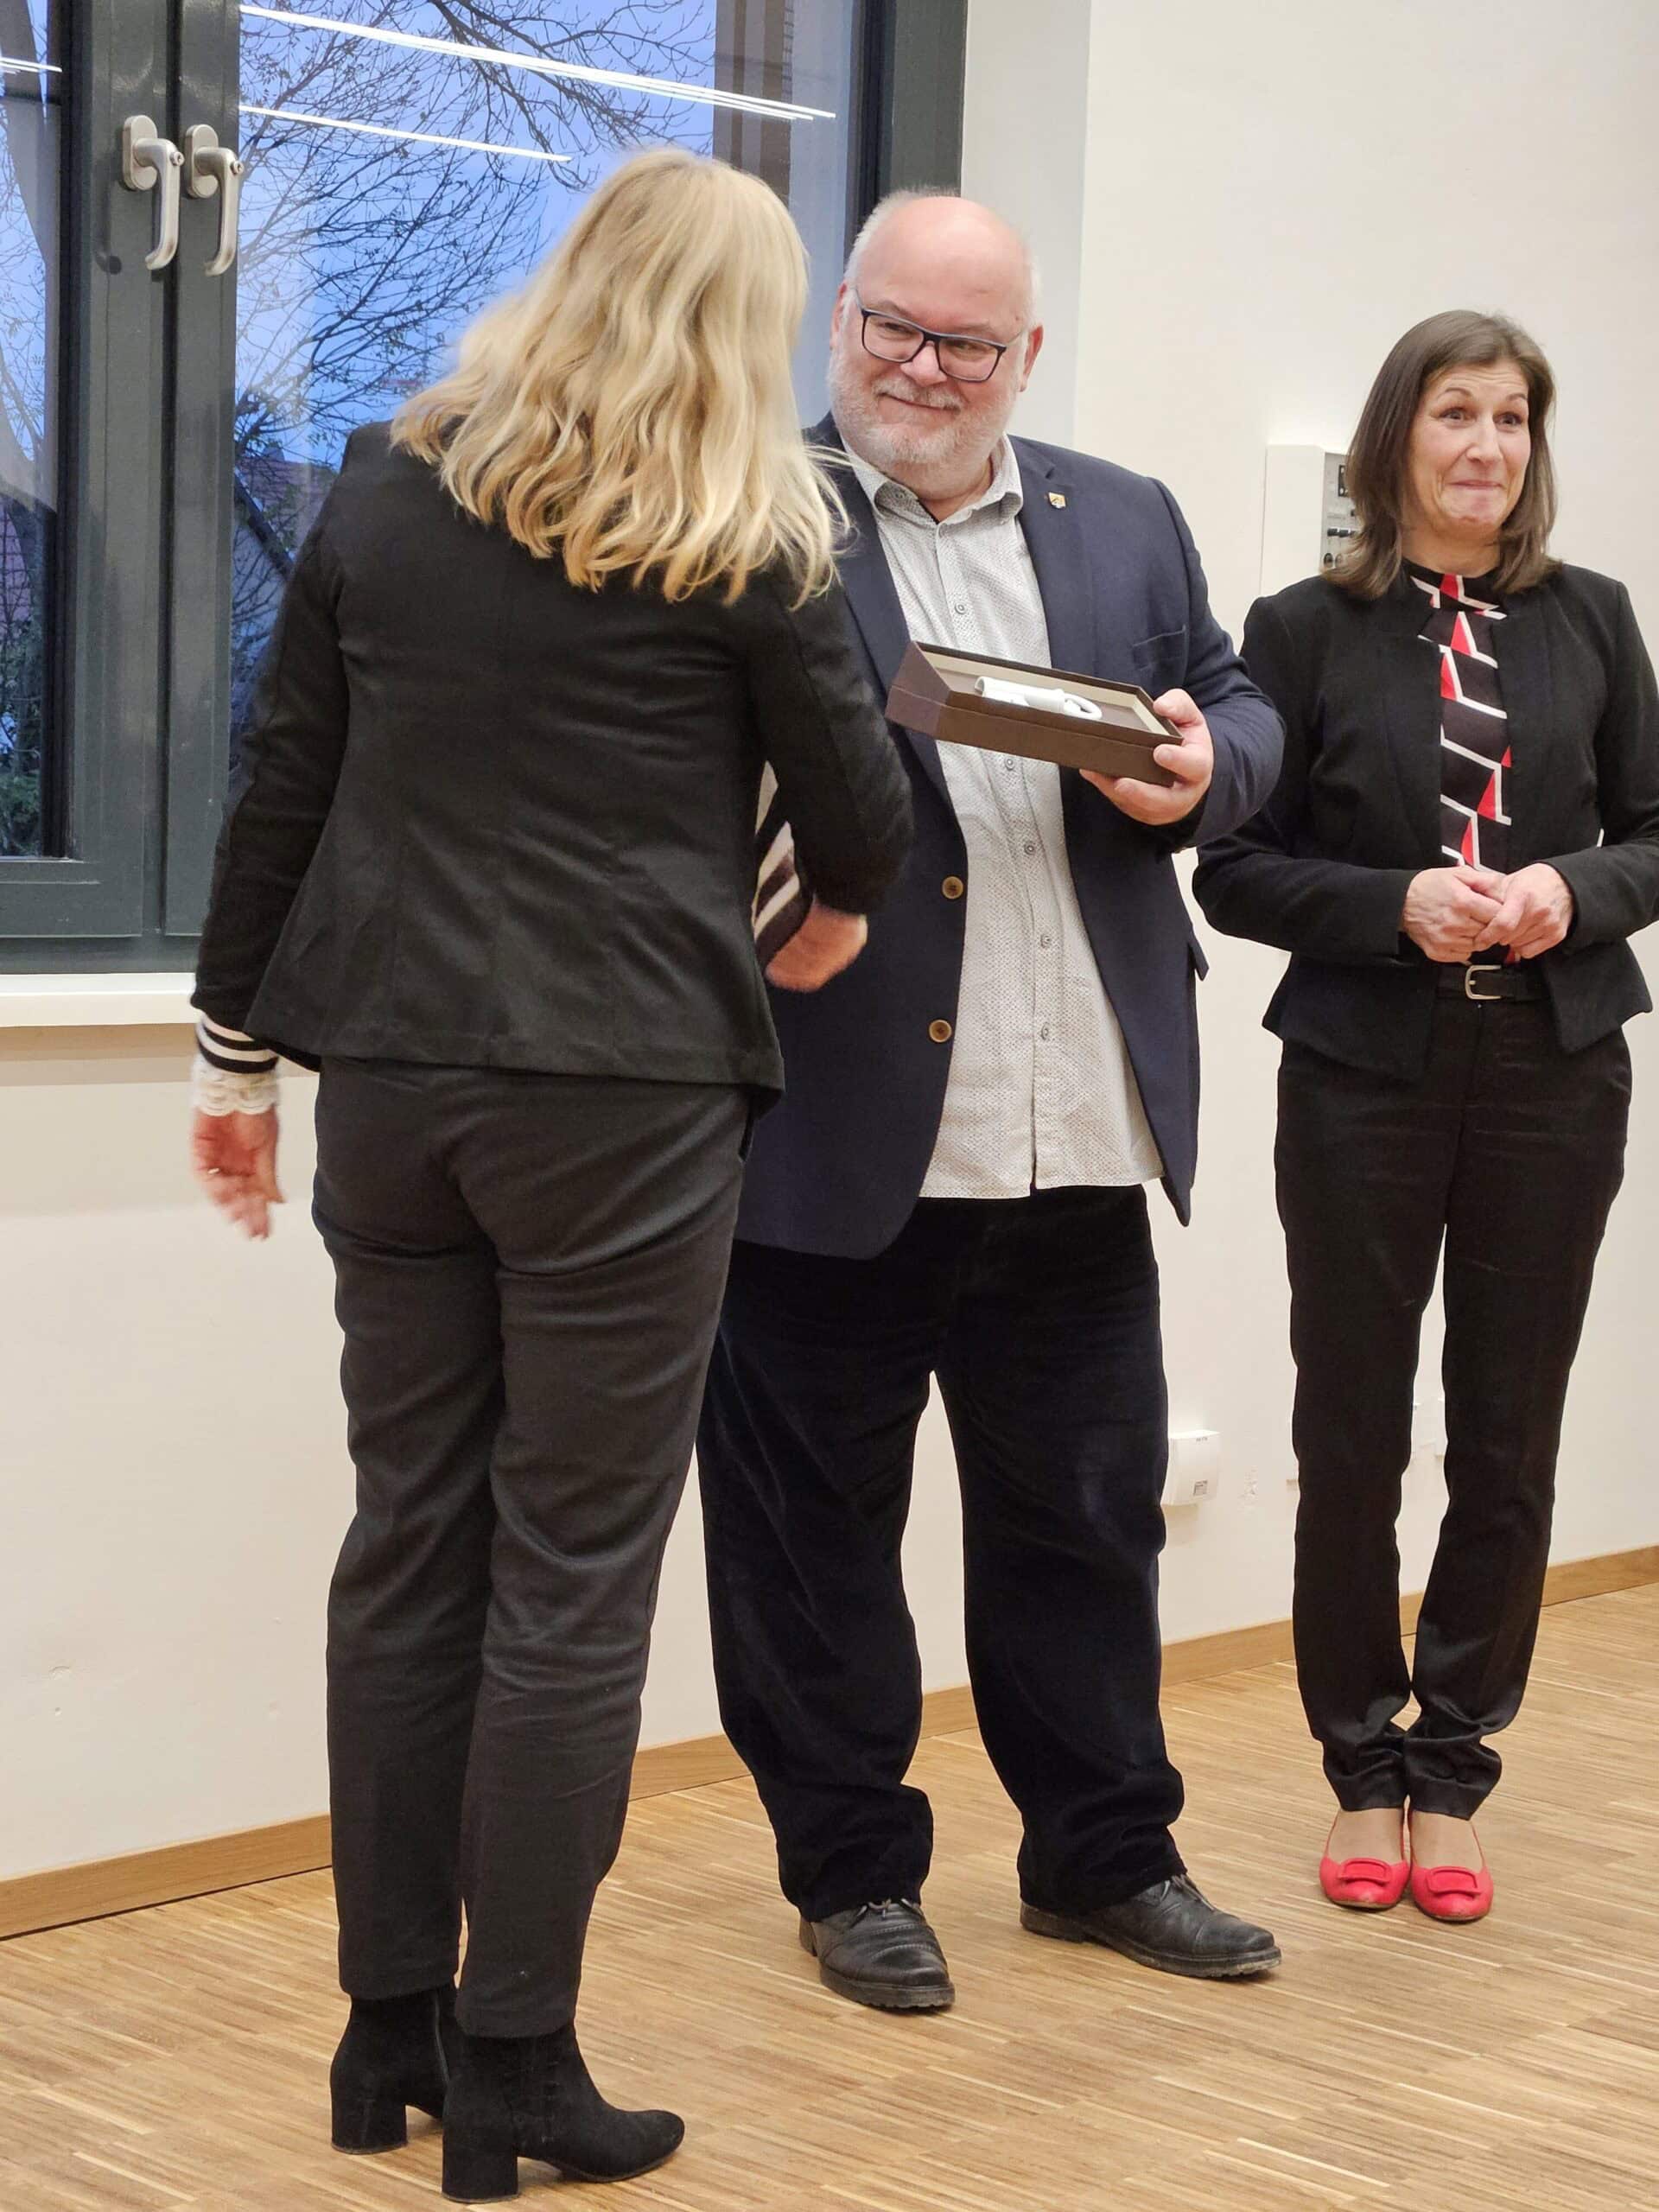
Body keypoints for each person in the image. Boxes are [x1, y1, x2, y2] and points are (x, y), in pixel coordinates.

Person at [189, 149, 911, 2197]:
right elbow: (862, 820)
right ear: (744, 329)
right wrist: (802, 904)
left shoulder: (383, 490)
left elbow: (283, 791)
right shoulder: (749, 533)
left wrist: (235, 1058)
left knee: (407, 1541)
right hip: (624, 1094)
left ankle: (379, 2031)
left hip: (395, 1087)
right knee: (571, 1580)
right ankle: (514, 2067)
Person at [695, 190, 1286, 2014]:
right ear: (839, 319)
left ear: (1027, 358)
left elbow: (1238, 695)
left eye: (964, 342)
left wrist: (1207, 767)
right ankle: (855, 1871)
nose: (919, 370)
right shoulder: (748, 513)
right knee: (812, 1544)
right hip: (834, 1127)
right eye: (888, 327)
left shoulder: (1122, 514)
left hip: (1075, 1121)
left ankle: (1105, 1854)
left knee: (1085, 1521)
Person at [1193, 310, 1659, 1924]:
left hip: (1553, 1068)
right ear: (1397, 437)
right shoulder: (1303, 627)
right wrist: (1395, 903)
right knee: (1355, 1434)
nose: (1487, 445)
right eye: (1456, 413)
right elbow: (1233, 868)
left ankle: (1454, 1770)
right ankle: (1360, 1764)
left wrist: (1565, 888)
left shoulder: (1592, 619)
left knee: (1509, 1434)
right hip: (1365, 1077)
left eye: (1514, 418)